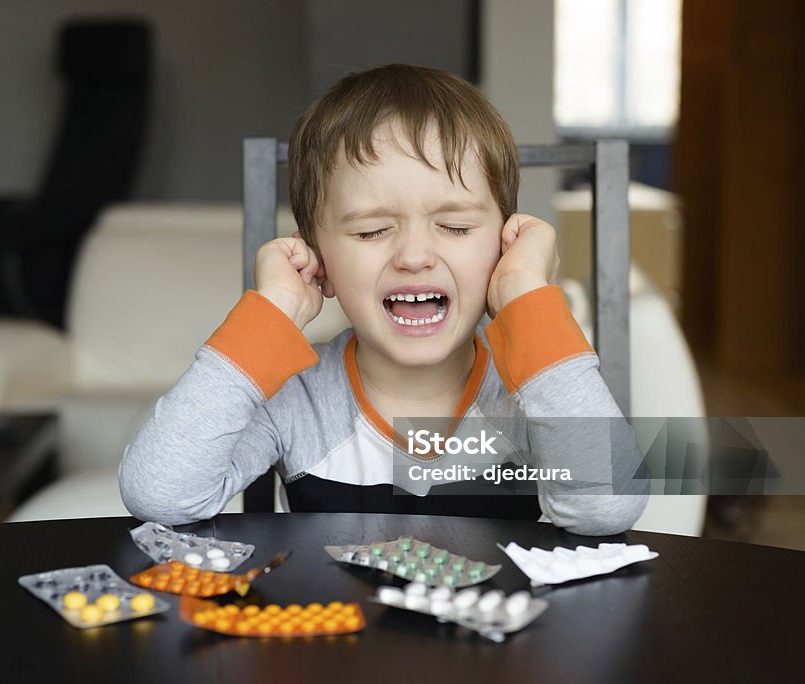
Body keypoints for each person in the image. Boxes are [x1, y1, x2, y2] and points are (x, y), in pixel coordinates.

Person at [120, 64, 647, 535]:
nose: (414, 256)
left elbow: (608, 507)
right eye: (372, 232)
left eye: (456, 226)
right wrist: (273, 309)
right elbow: (159, 495)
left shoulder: (533, 390)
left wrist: (527, 298)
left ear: (504, 242)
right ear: (318, 256)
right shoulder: (299, 397)